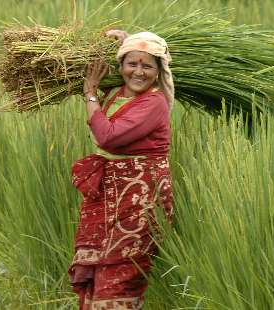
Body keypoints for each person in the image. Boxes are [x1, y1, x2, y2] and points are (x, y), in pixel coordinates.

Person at [68, 31, 175, 309]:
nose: (138, 72)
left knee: (120, 273)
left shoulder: (154, 103)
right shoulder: (115, 92)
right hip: (106, 199)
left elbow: (108, 136)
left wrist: (89, 93)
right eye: (132, 64)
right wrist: (120, 39)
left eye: (147, 66)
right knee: (96, 273)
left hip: (138, 203)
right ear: (120, 65)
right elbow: (103, 61)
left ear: (158, 71)